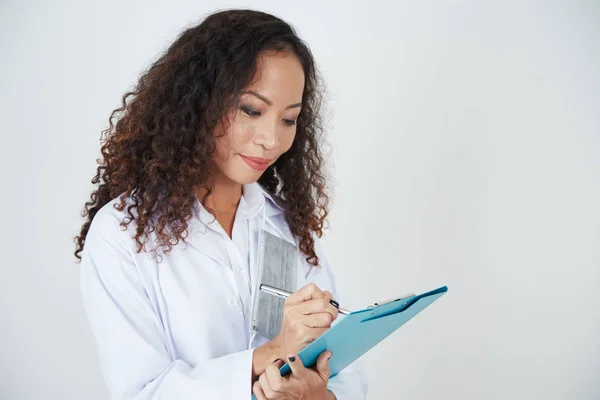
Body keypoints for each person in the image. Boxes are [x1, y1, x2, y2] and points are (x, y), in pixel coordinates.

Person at [74, 8, 368, 400]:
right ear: (198, 102)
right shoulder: (123, 235)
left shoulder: (284, 227)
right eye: (252, 110)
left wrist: (317, 395)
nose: (271, 139)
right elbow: (143, 391)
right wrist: (273, 352)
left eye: (289, 119)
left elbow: (347, 377)